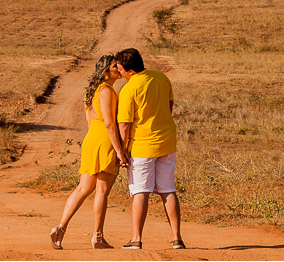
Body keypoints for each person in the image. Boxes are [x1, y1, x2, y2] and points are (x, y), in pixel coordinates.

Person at [50, 55, 128, 250]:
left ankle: (60, 228)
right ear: (105, 71)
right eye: (115, 66)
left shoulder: (91, 91)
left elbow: (88, 121)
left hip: (91, 138)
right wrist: (119, 151)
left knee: (83, 188)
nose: (119, 69)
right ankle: (98, 236)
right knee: (101, 190)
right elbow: (110, 124)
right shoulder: (106, 90)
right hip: (105, 140)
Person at [114, 47, 184, 250]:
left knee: (140, 191)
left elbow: (124, 125)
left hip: (142, 146)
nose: (119, 72)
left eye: (120, 69)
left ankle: (136, 239)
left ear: (130, 71)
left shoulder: (129, 89)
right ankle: (177, 238)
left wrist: (121, 150)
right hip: (167, 142)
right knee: (168, 190)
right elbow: (170, 105)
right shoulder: (161, 77)